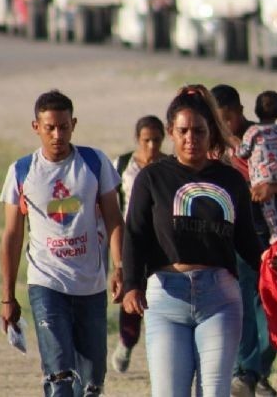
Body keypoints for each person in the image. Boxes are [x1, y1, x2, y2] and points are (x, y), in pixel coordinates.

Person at [121, 85, 265, 397]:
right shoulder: (153, 178)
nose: (191, 139)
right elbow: (135, 233)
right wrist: (132, 283)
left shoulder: (230, 180)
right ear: (170, 131)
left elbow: (246, 239)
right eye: (183, 131)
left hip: (220, 299)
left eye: (199, 131)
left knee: (214, 393)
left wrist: (271, 269)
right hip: (166, 298)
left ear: (210, 131)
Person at [0, 90, 124, 397]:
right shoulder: (21, 171)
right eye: (49, 127)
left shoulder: (95, 163)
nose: (57, 134)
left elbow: (114, 220)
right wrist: (7, 296)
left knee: (92, 383)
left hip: (90, 285)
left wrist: (119, 268)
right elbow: (12, 236)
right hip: (46, 283)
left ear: (74, 124)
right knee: (60, 377)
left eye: (64, 126)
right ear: (35, 127)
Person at [212, 84, 277, 397]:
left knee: (269, 301)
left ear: (241, 112)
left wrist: (272, 190)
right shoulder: (212, 144)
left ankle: (262, 373)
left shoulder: (265, 135)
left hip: (269, 228)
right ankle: (245, 373)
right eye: (219, 120)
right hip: (234, 232)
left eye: (228, 118)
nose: (225, 126)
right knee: (240, 302)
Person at [111, 115, 165, 374]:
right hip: (131, 239)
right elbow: (111, 207)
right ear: (137, 140)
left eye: (157, 140)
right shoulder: (122, 166)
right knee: (131, 291)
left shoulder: (170, 166)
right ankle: (127, 340)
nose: (152, 146)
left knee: (159, 296)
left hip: (163, 242)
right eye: (147, 140)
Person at [237, 90, 277, 246]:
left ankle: (276, 236)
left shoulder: (252, 132)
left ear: (256, 110)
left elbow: (243, 152)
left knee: (270, 210)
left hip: (261, 179)